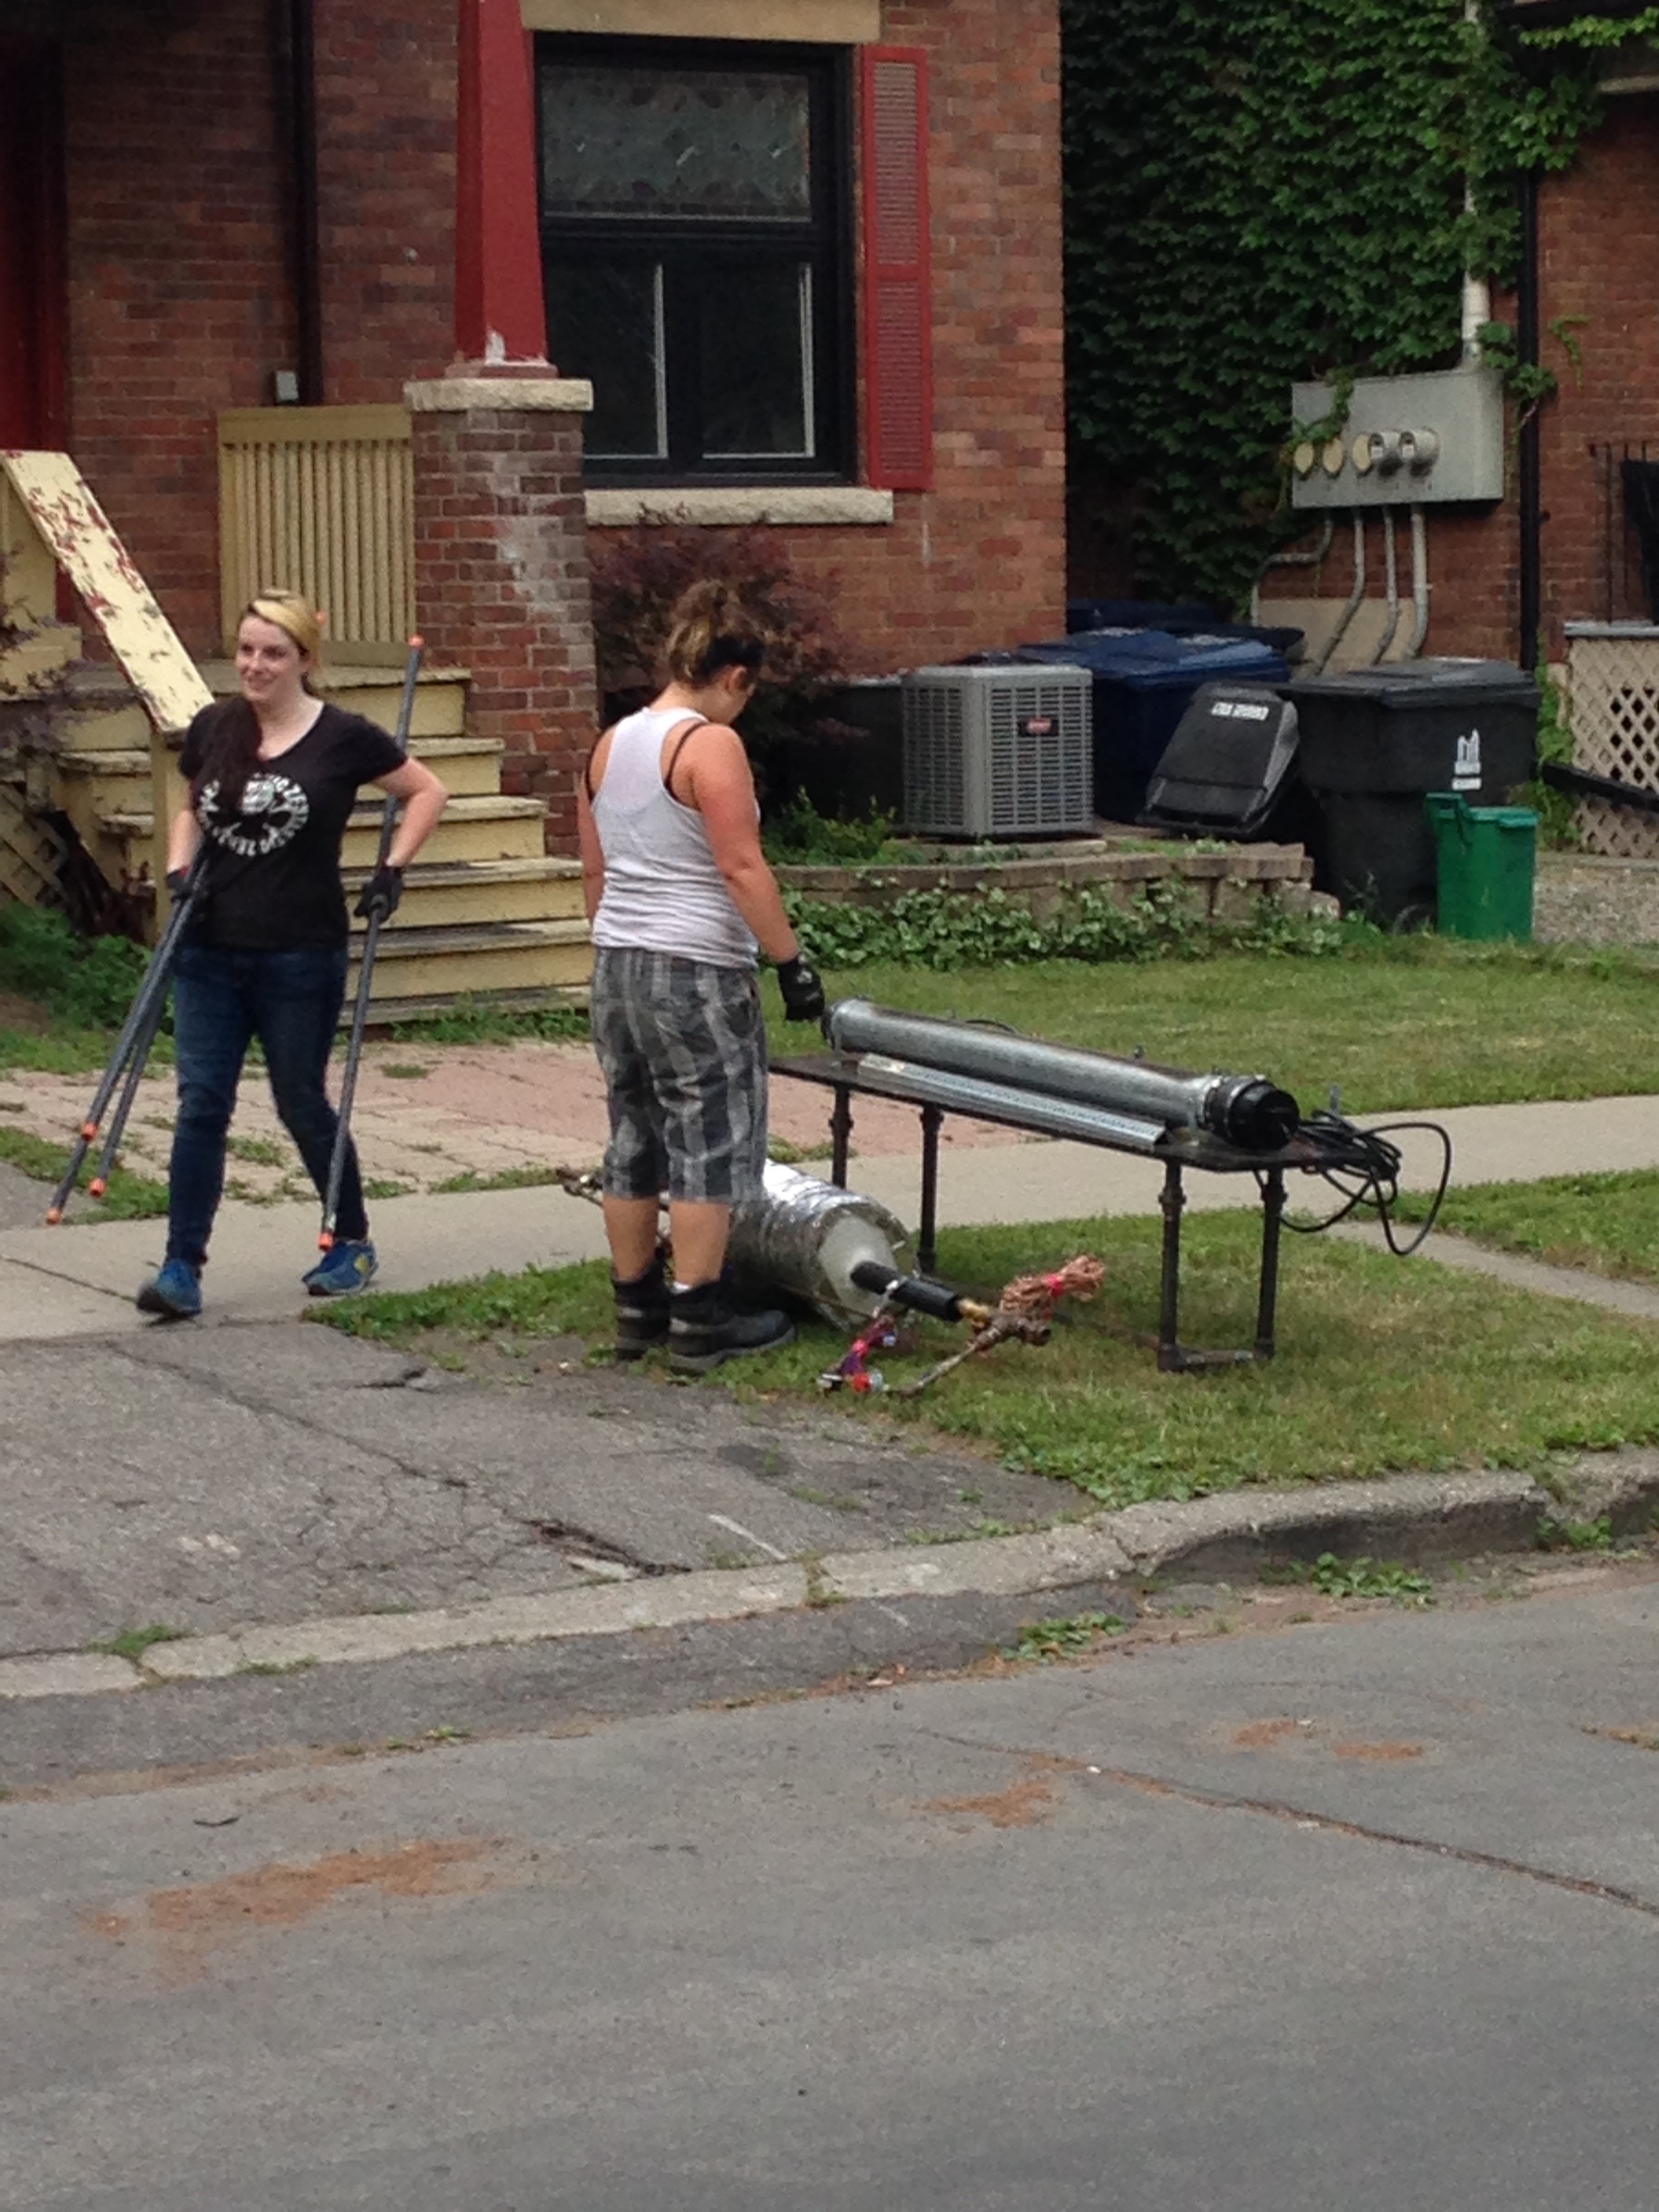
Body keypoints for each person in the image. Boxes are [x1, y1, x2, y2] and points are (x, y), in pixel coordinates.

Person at [136, 592, 448, 1319]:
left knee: (298, 1100)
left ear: (305, 660)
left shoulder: (342, 737)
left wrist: (392, 869)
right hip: (209, 948)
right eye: (246, 650)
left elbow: (427, 790)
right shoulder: (217, 726)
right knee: (200, 1105)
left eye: (273, 653)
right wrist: (178, 872)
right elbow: (190, 804)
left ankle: (352, 1240)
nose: (255, 665)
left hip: (299, 953)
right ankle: (182, 1265)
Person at [578, 580, 827, 1375]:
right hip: (695, 968)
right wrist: (790, 962)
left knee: (632, 1134)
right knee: (708, 1138)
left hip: (617, 962)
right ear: (736, 676)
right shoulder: (708, 744)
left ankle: (635, 1307)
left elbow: (595, 869)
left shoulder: (609, 744)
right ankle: (700, 1315)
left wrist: (613, 942)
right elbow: (739, 865)